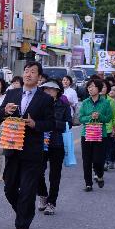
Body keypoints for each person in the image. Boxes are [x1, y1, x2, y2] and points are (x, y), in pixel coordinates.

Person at [0, 61, 56, 229]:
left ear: (39, 77)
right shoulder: (12, 93)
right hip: (12, 148)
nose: (28, 74)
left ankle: (22, 226)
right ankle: (24, 211)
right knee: (10, 188)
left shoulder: (45, 99)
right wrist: (4, 111)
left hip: (32, 151)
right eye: (26, 71)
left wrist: (35, 124)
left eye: (33, 72)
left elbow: (51, 123)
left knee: (28, 190)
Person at [36, 81, 71, 215]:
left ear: (58, 91)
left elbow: (69, 123)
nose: (49, 91)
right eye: (46, 89)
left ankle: (51, 203)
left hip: (57, 143)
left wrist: (52, 123)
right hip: (40, 142)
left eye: (52, 89)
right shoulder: (39, 104)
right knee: (37, 171)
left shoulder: (64, 105)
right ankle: (43, 195)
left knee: (54, 175)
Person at [77, 78, 113, 192]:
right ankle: (88, 183)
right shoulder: (85, 102)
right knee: (86, 160)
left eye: (92, 86)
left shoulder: (106, 103)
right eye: (88, 87)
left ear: (98, 88)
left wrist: (100, 116)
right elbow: (80, 118)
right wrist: (90, 117)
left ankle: (100, 175)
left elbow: (108, 118)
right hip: (86, 134)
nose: (90, 89)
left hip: (100, 134)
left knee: (98, 160)